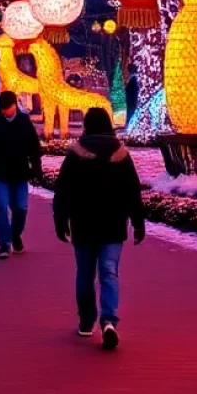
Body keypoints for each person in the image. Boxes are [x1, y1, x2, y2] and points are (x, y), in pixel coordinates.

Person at [53, 107, 145, 349]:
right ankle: (109, 320)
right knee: (109, 272)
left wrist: (60, 219)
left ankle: (86, 321)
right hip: (113, 224)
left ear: (87, 126)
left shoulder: (76, 154)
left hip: (83, 223)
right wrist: (138, 222)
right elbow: (132, 191)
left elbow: (63, 189)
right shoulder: (121, 155)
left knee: (85, 274)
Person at [0, 89, 42, 259]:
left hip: (20, 173)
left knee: (20, 208)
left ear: (15, 105)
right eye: (2, 108)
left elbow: (34, 148)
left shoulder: (24, 122)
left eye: (8, 108)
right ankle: (4, 244)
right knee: (1, 207)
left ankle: (15, 234)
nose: (5, 111)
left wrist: (36, 169)